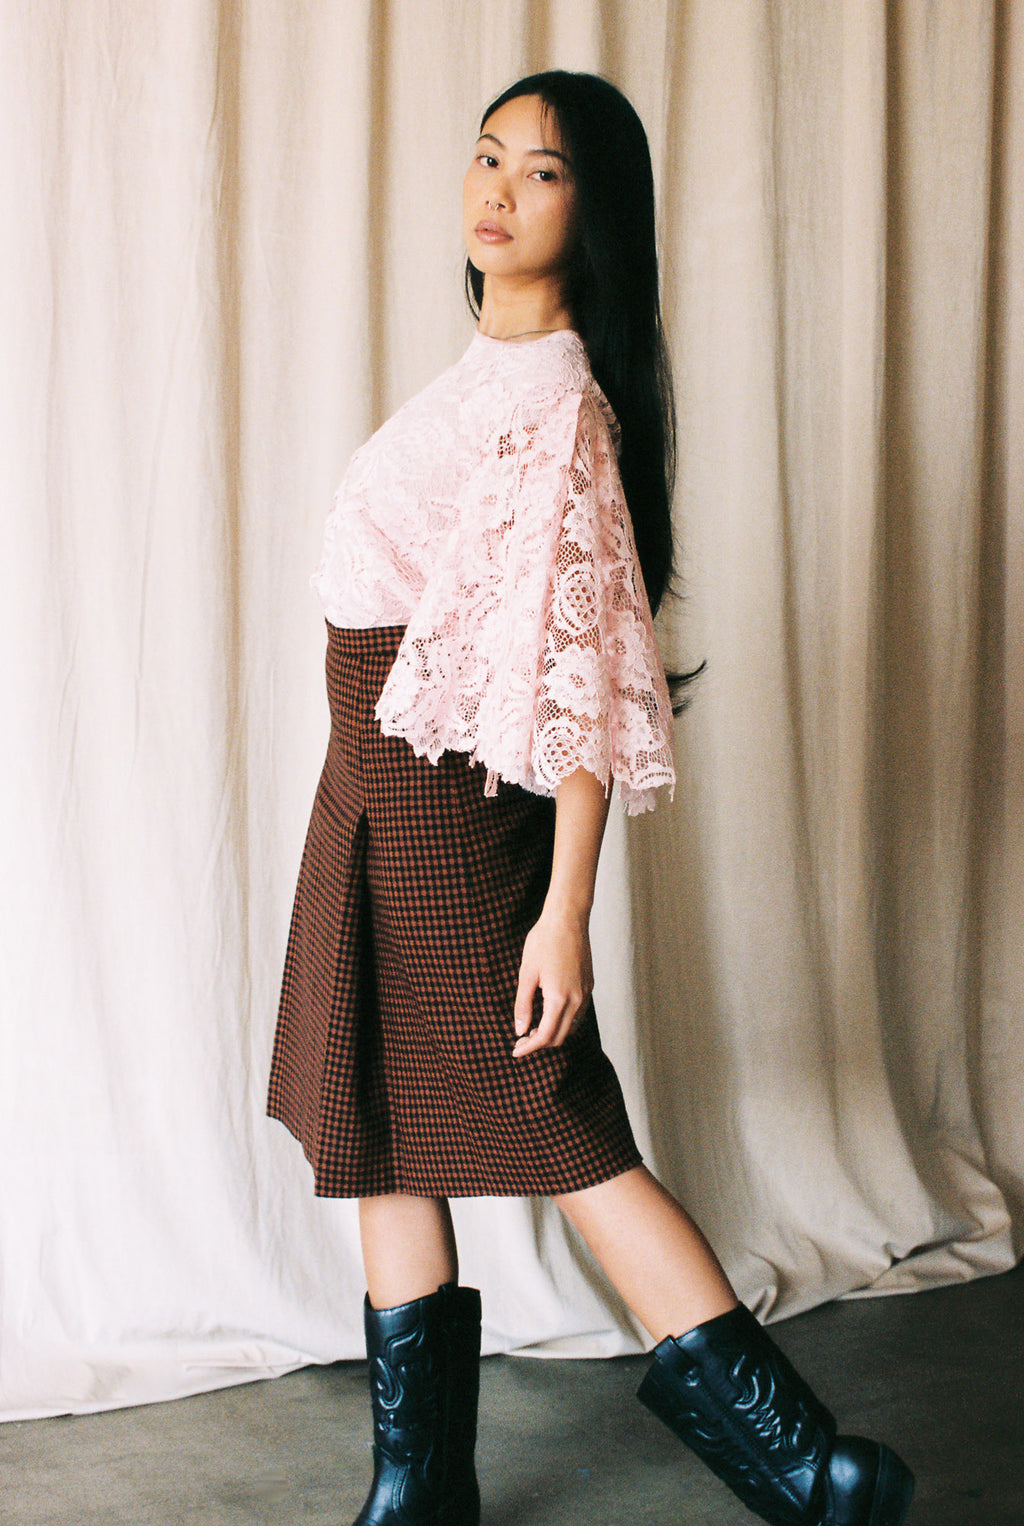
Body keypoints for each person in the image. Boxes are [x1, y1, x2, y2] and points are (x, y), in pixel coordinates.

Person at [267, 70, 915, 1526]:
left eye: (541, 172)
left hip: (441, 805)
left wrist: (562, 912)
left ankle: (803, 1466)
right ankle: (418, 1485)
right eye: (486, 156)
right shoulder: (490, 373)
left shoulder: (559, 400)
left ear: (595, 212)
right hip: (367, 784)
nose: (496, 189)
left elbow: (580, 688)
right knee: (377, 1109)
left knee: (556, 1120)